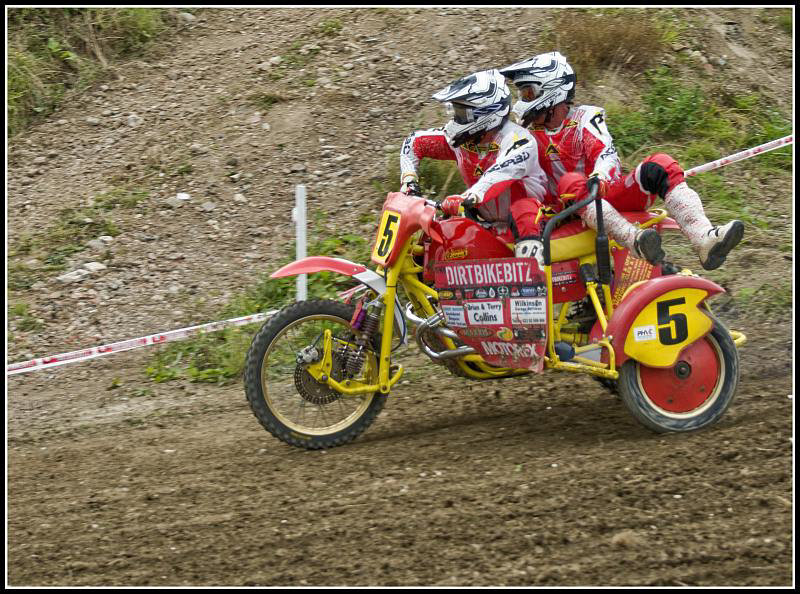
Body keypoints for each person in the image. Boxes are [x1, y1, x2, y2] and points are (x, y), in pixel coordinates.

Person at [499, 51, 744, 270]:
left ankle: (704, 239)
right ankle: (635, 241)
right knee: (572, 181)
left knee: (660, 164)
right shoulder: (524, 135)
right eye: (523, 93)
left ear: (552, 89)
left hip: (599, 194)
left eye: (528, 92)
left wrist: (600, 175)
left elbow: (605, 152)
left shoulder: (586, 117)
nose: (523, 99)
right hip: (557, 209)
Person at [399, 68, 565, 259]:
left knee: (524, 212)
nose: (456, 120)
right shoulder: (461, 142)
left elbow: (499, 175)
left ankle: (535, 283)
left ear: (487, 113)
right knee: (436, 233)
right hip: (484, 222)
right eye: (456, 112)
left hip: (535, 220)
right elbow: (414, 143)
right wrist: (409, 182)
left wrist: (467, 197)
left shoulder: (519, 140)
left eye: (462, 113)